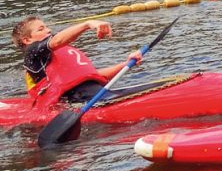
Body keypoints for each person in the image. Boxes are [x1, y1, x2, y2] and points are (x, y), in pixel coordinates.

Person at [11, 17, 143, 107]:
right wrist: (87, 24)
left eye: (46, 27)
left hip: (94, 94)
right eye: (41, 29)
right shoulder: (32, 53)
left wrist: (125, 64)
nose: (48, 30)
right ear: (27, 40)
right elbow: (57, 40)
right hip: (76, 99)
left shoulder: (59, 52)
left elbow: (92, 74)